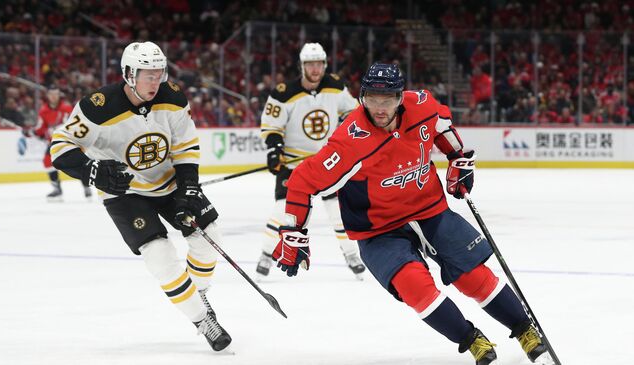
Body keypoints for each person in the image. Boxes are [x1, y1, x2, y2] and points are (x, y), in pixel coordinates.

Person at [271, 63, 551, 364]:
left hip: (429, 209)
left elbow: (442, 124)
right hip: (378, 229)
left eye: (387, 99)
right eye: (372, 99)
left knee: (472, 276)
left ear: (400, 97)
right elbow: (301, 181)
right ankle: (471, 339)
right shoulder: (349, 141)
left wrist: (456, 157)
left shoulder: (423, 106)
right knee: (414, 285)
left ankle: (524, 329)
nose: (379, 108)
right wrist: (293, 231)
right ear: (362, 97)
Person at [50, 41, 231, 351]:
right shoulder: (97, 106)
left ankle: (197, 292)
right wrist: (94, 171)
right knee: (159, 253)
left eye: (159, 73)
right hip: (125, 193)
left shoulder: (172, 97)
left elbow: (186, 147)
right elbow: (60, 148)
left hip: (169, 183)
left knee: (209, 235)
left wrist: (188, 187)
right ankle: (203, 320)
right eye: (148, 74)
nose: (155, 81)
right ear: (129, 74)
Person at [256, 42, 366, 279]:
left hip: (327, 161)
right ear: (302, 66)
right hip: (294, 164)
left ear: (324, 65)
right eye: (310, 64)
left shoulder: (335, 86)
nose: (315, 69)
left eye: (319, 64)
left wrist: (346, 134)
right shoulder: (284, 92)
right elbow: (271, 125)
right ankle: (266, 253)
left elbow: (353, 113)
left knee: (338, 212)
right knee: (282, 212)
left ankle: (350, 254)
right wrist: (274, 149)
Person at [27, 85, 91, 201]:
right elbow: (41, 127)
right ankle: (57, 189)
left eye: (56, 94)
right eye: (51, 94)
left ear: (59, 95)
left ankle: (86, 185)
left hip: (71, 141)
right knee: (47, 161)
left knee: (78, 162)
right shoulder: (43, 111)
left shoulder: (67, 108)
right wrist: (33, 132)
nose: (53, 96)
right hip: (54, 142)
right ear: (47, 96)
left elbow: (75, 123)